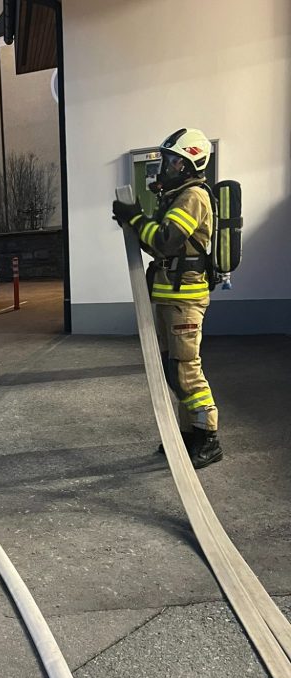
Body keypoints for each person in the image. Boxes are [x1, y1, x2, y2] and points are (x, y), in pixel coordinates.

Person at [113, 127, 223, 469]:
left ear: (190, 164)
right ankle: (188, 435)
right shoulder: (176, 197)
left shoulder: (193, 197)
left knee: (186, 370)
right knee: (174, 371)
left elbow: (165, 239)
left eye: (173, 161)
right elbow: (158, 247)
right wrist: (134, 225)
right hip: (167, 297)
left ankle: (208, 437)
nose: (166, 167)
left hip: (183, 301)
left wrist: (136, 218)